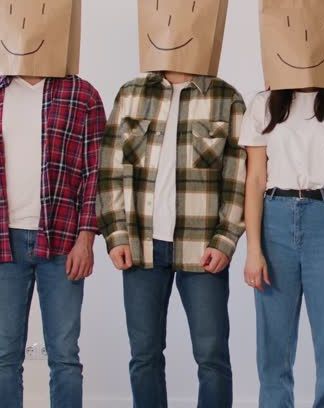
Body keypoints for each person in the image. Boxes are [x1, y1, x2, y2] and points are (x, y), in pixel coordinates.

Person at [0, 0, 104, 408]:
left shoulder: (82, 95)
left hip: (63, 241)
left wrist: (87, 238)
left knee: (65, 355)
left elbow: (95, 173)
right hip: (1, 241)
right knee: (4, 355)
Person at [98, 69, 246, 407]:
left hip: (203, 247)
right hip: (140, 244)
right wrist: (116, 234)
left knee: (212, 355)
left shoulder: (226, 97)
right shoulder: (131, 93)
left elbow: (237, 177)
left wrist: (225, 238)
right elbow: (109, 168)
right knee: (144, 354)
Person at [241, 84, 324, 407]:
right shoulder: (264, 102)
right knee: (273, 348)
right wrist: (253, 249)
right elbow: (255, 179)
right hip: (274, 221)